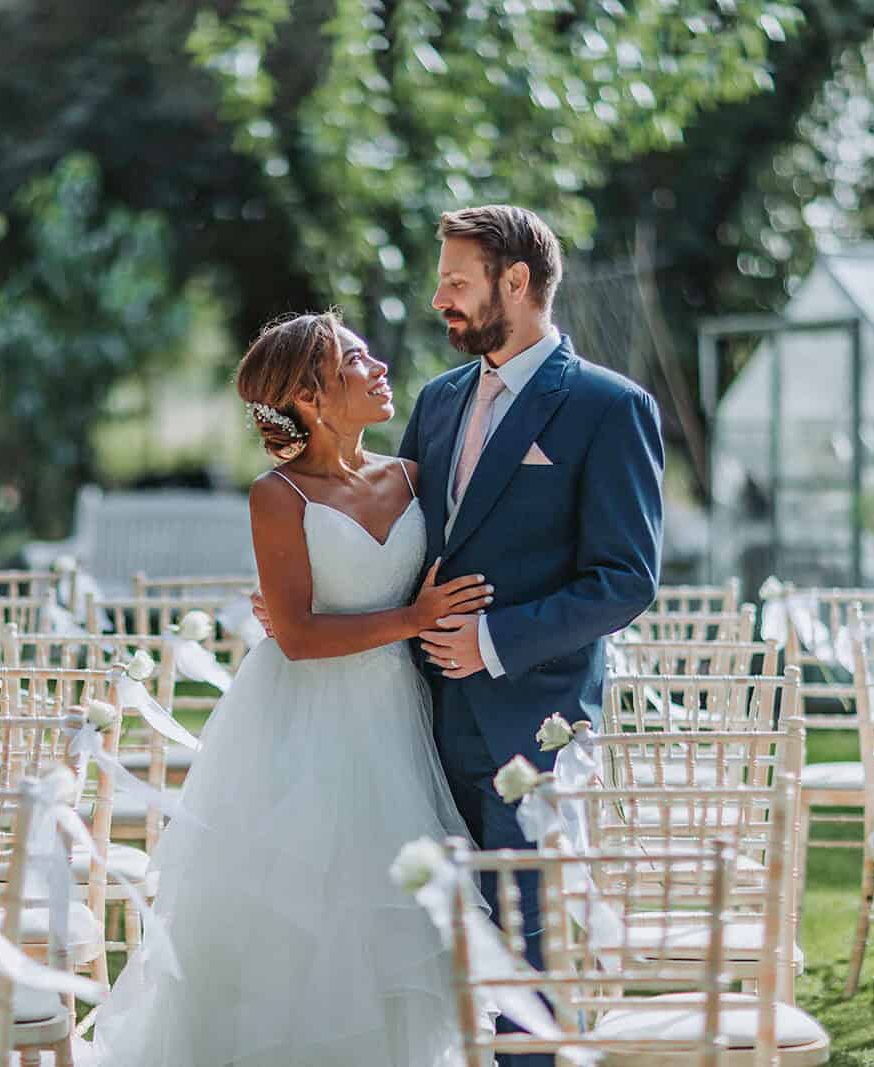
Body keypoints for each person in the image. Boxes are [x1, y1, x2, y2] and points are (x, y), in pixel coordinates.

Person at [258, 205, 665, 1066]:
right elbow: (404, 542)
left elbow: (626, 580)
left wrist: (494, 641)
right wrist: (306, 604)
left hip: (534, 725)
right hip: (414, 723)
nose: (438, 296)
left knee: (528, 953)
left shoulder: (608, 406)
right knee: (425, 948)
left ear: (515, 282)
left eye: (456, 280)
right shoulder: (438, 404)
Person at [90, 311, 492, 1067]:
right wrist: (413, 615)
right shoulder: (276, 496)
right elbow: (300, 636)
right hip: (299, 723)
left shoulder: (414, 476)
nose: (378, 368)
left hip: (395, 718)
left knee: (391, 917)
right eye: (355, 359)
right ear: (310, 395)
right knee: (303, 910)